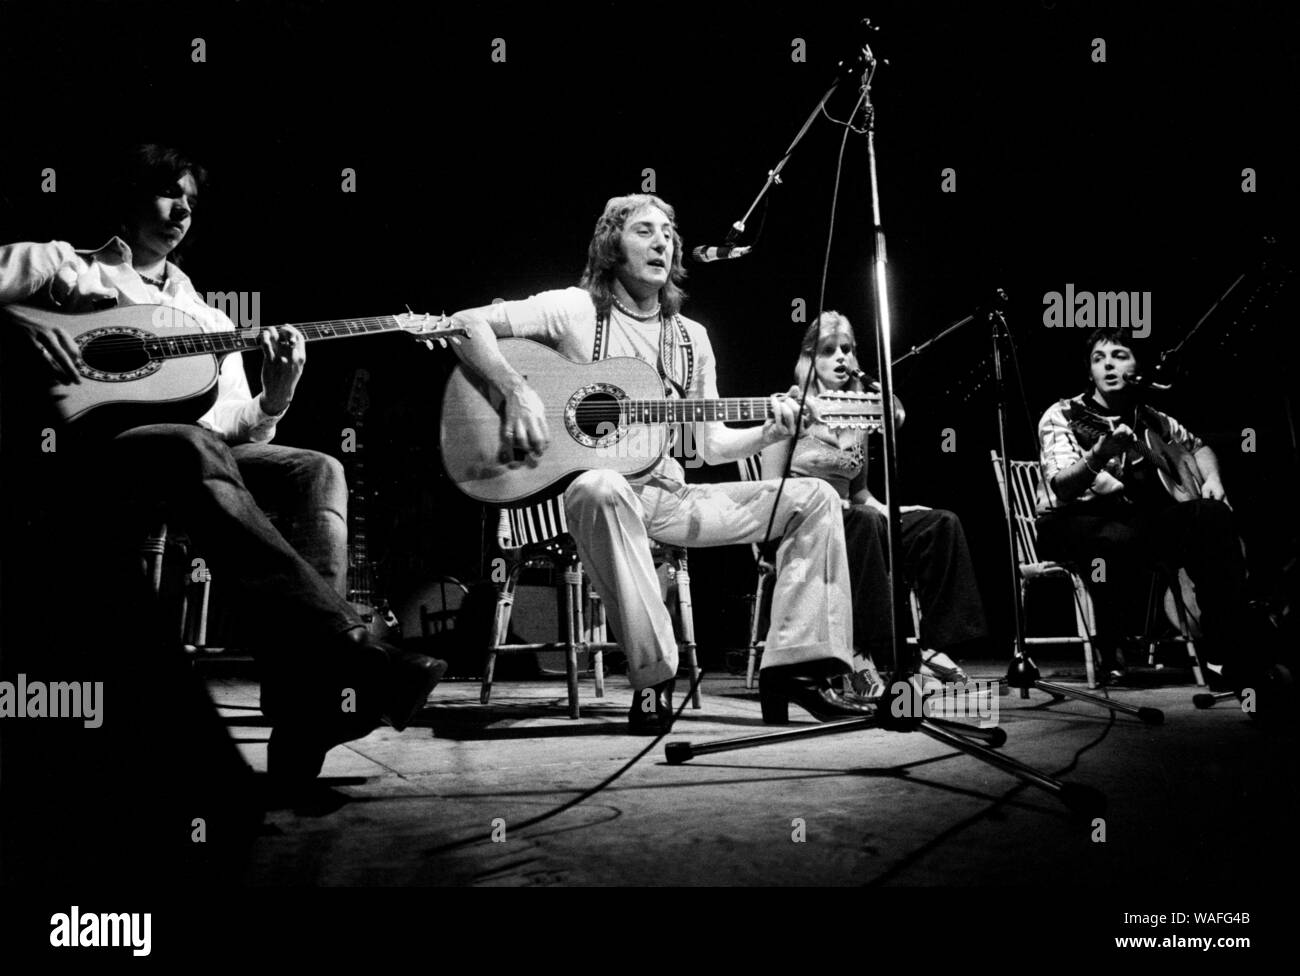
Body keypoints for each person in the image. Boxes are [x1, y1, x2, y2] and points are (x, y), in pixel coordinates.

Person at [0, 144, 445, 783]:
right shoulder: (61, 264)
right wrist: (17, 321)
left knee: (316, 468)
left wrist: (278, 391)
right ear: (128, 198)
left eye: (191, 201)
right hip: (82, 457)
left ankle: (307, 709)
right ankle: (347, 658)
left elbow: (239, 427)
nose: (181, 209)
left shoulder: (207, 319)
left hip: (193, 461)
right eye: (165, 193)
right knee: (191, 445)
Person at [446, 193, 870, 730]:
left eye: (668, 232)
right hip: (598, 501)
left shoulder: (691, 339)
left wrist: (768, 429)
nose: (662, 242)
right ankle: (653, 679)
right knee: (600, 486)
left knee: (815, 498)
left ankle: (796, 670)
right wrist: (514, 390)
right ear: (611, 246)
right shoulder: (576, 311)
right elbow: (464, 324)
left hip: (670, 497)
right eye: (644, 231)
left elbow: (712, 445)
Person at [762, 312, 988, 696]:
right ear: (809, 358)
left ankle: (934, 648)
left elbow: (862, 492)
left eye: (846, 350)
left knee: (939, 523)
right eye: (828, 350)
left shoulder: (859, 413)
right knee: (865, 522)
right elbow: (771, 492)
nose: (840, 358)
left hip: (858, 521)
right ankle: (865, 655)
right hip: (805, 526)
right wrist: (854, 511)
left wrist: (894, 511)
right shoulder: (790, 408)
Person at [1034, 327, 1248, 687]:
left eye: (1119, 356)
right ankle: (1110, 650)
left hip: (1133, 521)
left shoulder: (1150, 416)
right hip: (1070, 522)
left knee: (1212, 516)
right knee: (1113, 537)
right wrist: (1098, 456)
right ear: (1089, 373)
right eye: (1098, 359)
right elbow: (1062, 485)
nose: (1108, 365)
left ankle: (1227, 653)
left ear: (1136, 366)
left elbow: (1198, 446)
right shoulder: (1064, 413)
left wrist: (1212, 480)